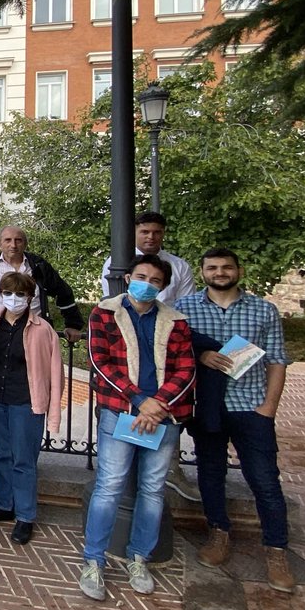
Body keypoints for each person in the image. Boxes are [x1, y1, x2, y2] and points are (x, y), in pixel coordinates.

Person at [175, 248, 295, 593]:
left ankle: (276, 549)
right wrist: (202, 353)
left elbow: (277, 360)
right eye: (212, 267)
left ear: (238, 270)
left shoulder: (263, 310)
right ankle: (218, 532)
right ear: (203, 272)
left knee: (265, 479)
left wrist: (268, 407)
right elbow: (177, 350)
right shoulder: (186, 309)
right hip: (208, 406)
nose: (220, 272)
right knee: (211, 472)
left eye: (226, 267)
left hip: (250, 407)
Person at [79, 255, 196, 602]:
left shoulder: (175, 322)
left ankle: (139, 556)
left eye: (155, 280)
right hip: (121, 411)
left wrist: (157, 404)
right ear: (129, 277)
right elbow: (100, 362)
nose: (147, 283)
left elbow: (185, 369)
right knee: (110, 485)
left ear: (163, 286)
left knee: (152, 489)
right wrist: (138, 399)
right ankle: (93, 560)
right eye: (141, 276)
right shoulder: (105, 313)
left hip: (164, 415)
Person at [100, 212, 200, 503]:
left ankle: (173, 467)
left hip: (167, 355)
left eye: (157, 232)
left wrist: (154, 403)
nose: (151, 237)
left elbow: (185, 310)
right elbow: (116, 309)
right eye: (145, 232)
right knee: (113, 476)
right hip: (127, 360)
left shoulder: (179, 266)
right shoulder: (116, 262)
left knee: (152, 484)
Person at [0, 272, 65, 545]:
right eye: (8, 293)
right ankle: (5, 504)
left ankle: (25, 516)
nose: (13, 299)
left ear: (30, 297)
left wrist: (53, 410)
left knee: (24, 460)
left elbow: (55, 372)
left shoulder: (42, 330)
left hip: (26, 401)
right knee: (2, 455)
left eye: (20, 294)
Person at [0, 225, 84, 343]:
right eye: (8, 240)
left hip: (35, 331)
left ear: (25, 244)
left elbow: (63, 293)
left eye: (18, 240)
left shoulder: (38, 266)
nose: (13, 245)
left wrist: (73, 325)